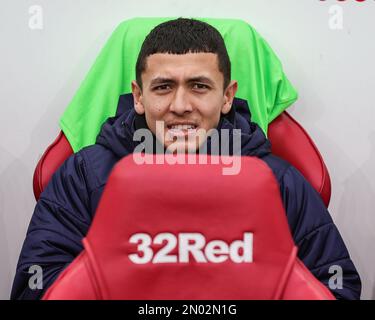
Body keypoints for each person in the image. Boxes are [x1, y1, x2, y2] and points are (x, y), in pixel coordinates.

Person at [11, 18, 361, 300]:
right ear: (138, 96)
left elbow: (338, 284)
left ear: (227, 97)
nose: (180, 106)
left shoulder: (276, 181)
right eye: (163, 87)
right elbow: (34, 287)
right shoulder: (85, 176)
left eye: (199, 86)